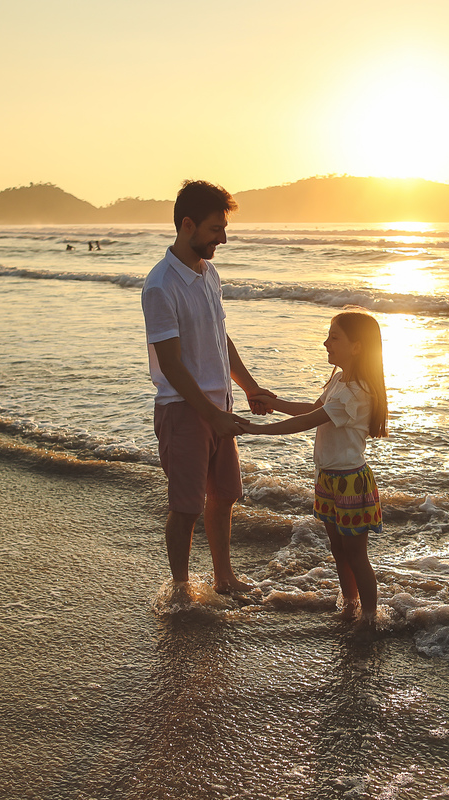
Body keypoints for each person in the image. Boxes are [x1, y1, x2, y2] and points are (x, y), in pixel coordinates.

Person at [141, 179, 274, 597]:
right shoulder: (161, 285)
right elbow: (172, 364)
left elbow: (221, 338)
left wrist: (250, 388)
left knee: (224, 497)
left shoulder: (209, 271)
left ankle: (223, 578)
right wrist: (210, 414)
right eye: (216, 229)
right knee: (186, 506)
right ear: (187, 226)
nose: (224, 238)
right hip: (184, 409)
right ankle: (181, 589)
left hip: (221, 405)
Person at [239, 311, 388, 624]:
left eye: (334, 337)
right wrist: (273, 401)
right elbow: (314, 409)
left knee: (356, 555)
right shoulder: (339, 379)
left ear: (358, 347)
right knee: (338, 549)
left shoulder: (355, 393)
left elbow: (308, 421)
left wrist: (252, 429)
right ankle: (350, 604)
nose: (326, 343)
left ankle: (371, 618)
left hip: (350, 481)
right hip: (329, 478)